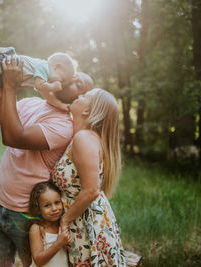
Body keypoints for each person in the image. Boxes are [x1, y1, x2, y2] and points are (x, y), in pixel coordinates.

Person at [0, 57, 93, 267]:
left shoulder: (63, 126)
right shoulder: (32, 103)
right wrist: (0, 79)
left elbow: (12, 137)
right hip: (0, 205)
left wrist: (10, 86)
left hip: (27, 215)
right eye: (71, 75)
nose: (69, 78)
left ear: (79, 98)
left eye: (77, 82)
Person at [52, 88, 126, 266]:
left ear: (87, 110)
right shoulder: (83, 137)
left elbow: (92, 190)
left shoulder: (84, 138)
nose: (78, 96)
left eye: (84, 96)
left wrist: (65, 219)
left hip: (84, 224)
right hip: (84, 221)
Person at [28, 181, 70, 267]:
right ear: (38, 208)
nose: (54, 208)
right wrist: (59, 243)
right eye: (47, 205)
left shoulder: (63, 225)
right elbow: (38, 261)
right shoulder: (37, 228)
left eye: (57, 202)